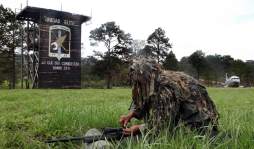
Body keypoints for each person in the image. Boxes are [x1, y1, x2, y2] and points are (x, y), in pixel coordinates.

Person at [120, 58, 219, 137]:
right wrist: (131, 114)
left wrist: (139, 128)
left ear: (149, 76)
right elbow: (146, 99)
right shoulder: (153, 82)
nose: (137, 85)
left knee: (180, 136)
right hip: (184, 111)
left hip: (199, 119)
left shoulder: (165, 89)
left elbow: (162, 125)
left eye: (139, 81)